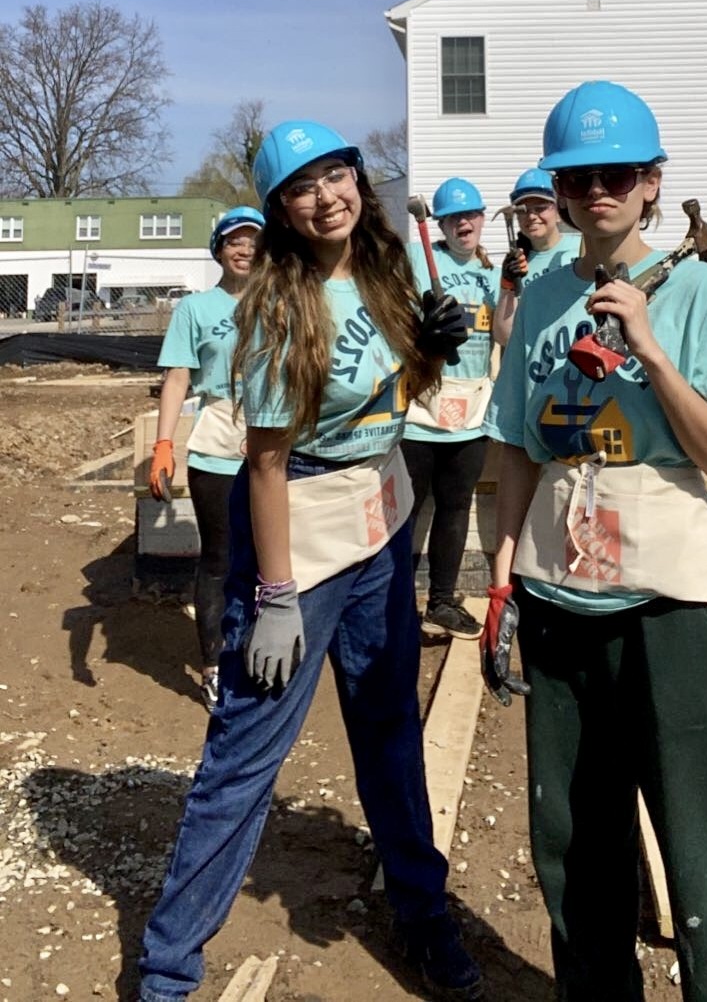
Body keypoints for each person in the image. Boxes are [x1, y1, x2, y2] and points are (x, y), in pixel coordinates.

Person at [138, 121, 482, 1002]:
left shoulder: (386, 270)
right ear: (281, 213)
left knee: (390, 731)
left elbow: (394, 395)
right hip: (300, 530)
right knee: (246, 753)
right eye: (303, 186)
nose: (328, 195)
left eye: (339, 174)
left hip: (380, 524)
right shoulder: (277, 307)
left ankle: (421, 910)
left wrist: (434, 344)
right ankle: (168, 971)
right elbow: (265, 463)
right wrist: (279, 595)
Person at [481, 80, 707, 1001]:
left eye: (618, 174)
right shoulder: (538, 298)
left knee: (703, 847)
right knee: (573, 844)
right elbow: (516, 453)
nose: (597, 191)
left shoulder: (699, 291)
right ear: (559, 193)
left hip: (672, 606)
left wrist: (650, 349)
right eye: (578, 177)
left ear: (653, 184)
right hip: (557, 597)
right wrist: (500, 589)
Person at [149, 204, 264, 712]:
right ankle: (214, 664)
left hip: (273, 438)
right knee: (220, 555)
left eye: (254, 241)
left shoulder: (282, 301)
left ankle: (261, 652)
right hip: (218, 440)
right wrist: (163, 444)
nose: (245, 250)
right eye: (235, 241)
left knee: (270, 554)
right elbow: (177, 377)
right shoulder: (195, 309)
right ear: (219, 250)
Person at [402, 177, 499, 640]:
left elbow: (504, 331)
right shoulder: (421, 261)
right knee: (407, 509)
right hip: (422, 407)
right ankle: (395, 606)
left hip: (472, 407)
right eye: (454, 217)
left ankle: (441, 601)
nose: (465, 222)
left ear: (482, 219)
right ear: (438, 223)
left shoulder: (490, 273)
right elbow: (395, 319)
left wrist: (513, 287)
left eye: (472, 215)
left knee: (456, 506)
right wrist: (422, 328)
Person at [493, 167, 580, 346]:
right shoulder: (517, 265)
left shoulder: (581, 249)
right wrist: (508, 284)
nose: (531, 216)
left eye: (540, 208)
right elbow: (504, 337)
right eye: (523, 210)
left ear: (558, 212)